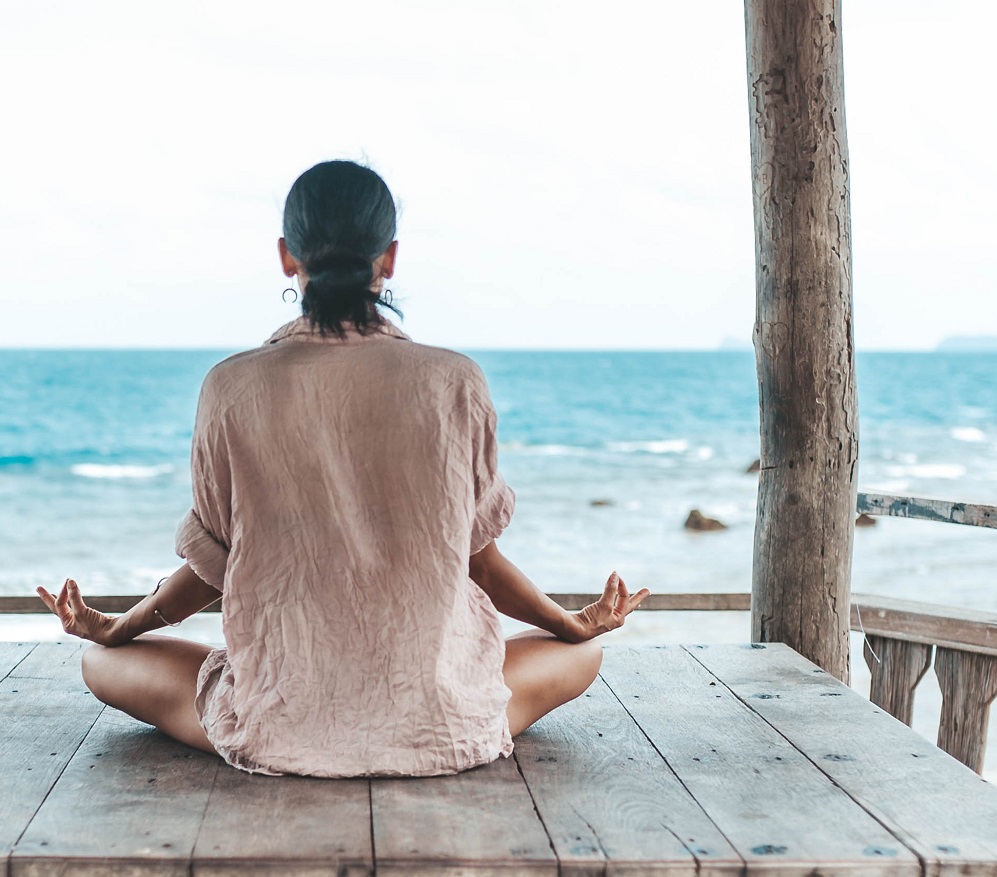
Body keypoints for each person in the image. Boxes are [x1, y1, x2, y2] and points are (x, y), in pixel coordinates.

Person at [37, 160, 648, 778]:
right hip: (435, 724)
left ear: (286, 256)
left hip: (278, 724)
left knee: (100, 664)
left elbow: (214, 570)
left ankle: (299, 724)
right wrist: (572, 623)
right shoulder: (455, 381)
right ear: (390, 257)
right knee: (582, 655)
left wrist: (116, 628)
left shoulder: (229, 386)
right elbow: (479, 561)